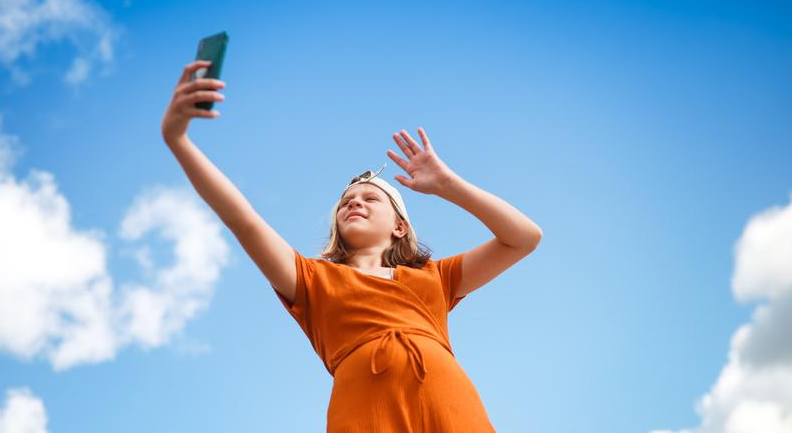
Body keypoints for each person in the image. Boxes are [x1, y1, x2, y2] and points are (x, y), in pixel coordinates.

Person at [162, 59, 543, 432]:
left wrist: (449, 186)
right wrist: (178, 141)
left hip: (451, 407)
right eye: (346, 202)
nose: (354, 203)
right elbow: (242, 219)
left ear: (399, 226)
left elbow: (524, 237)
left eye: (369, 198)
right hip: (363, 413)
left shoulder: (436, 277)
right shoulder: (312, 280)